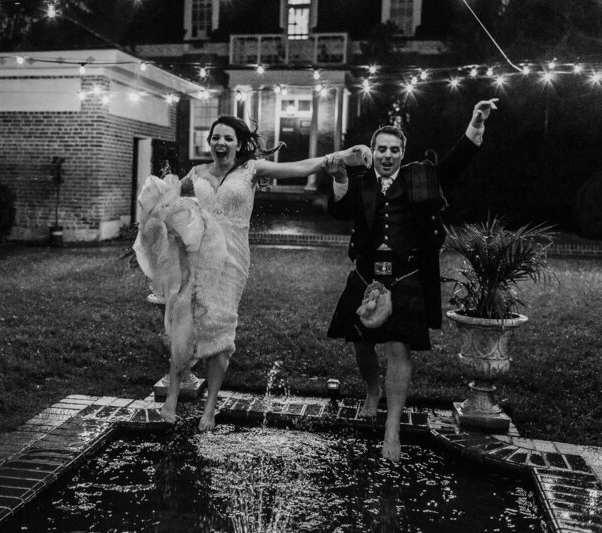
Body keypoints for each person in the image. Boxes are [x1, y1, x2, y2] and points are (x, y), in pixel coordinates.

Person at [134, 115, 371, 432]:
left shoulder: (252, 169)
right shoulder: (197, 173)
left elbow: (301, 167)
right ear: (210, 142)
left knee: (220, 327)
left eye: (228, 138)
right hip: (199, 256)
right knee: (183, 321)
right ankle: (173, 397)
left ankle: (210, 409)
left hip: (232, 259)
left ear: (239, 143)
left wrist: (341, 157)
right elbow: (172, 203)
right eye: (216, 137)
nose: (221, 143)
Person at [325, 99, 499, 461]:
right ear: (372, 152)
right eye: (381, 149)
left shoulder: (419, 176)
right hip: (365, 273)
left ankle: (392, 428)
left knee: (398, 347)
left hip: (407, 274)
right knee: (361, 343)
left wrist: (476, 122)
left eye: (394, 150)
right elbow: (340, 212)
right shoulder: (361, 182)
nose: (387, 155)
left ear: (403, 152)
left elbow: (454, 163)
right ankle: (373, 390)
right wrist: (340, 178)